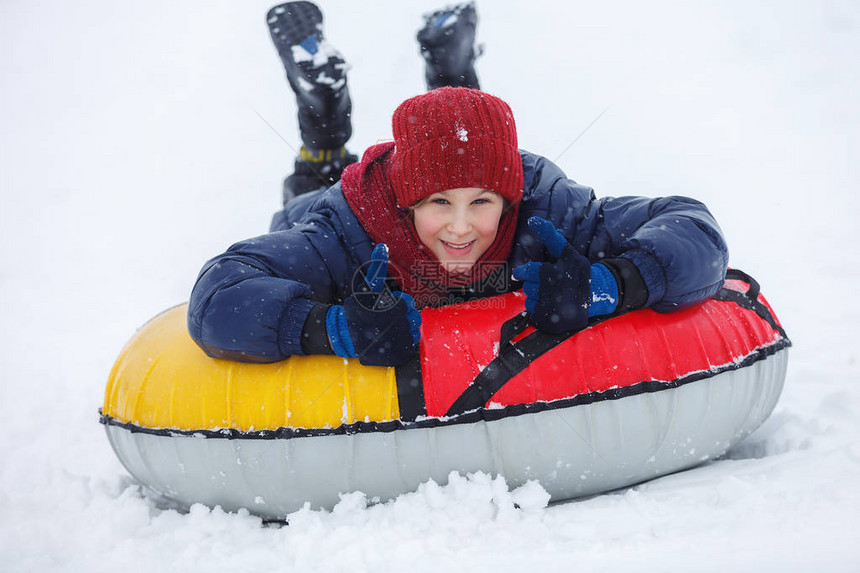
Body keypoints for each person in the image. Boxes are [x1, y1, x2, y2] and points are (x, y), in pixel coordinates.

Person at [186, 3, 729, 367]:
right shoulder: (340, 230)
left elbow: (693, 228)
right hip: (332, 202)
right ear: (407, 201)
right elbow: (217, 296)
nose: (462, 227)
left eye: (483, 202)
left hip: (461, 159)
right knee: (313, 183)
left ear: (511, 197)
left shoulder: (548, 207)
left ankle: (453, 73)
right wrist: (329, 328)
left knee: (463, 137)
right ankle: (324, 112)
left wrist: (610, 284)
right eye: (437, 202)